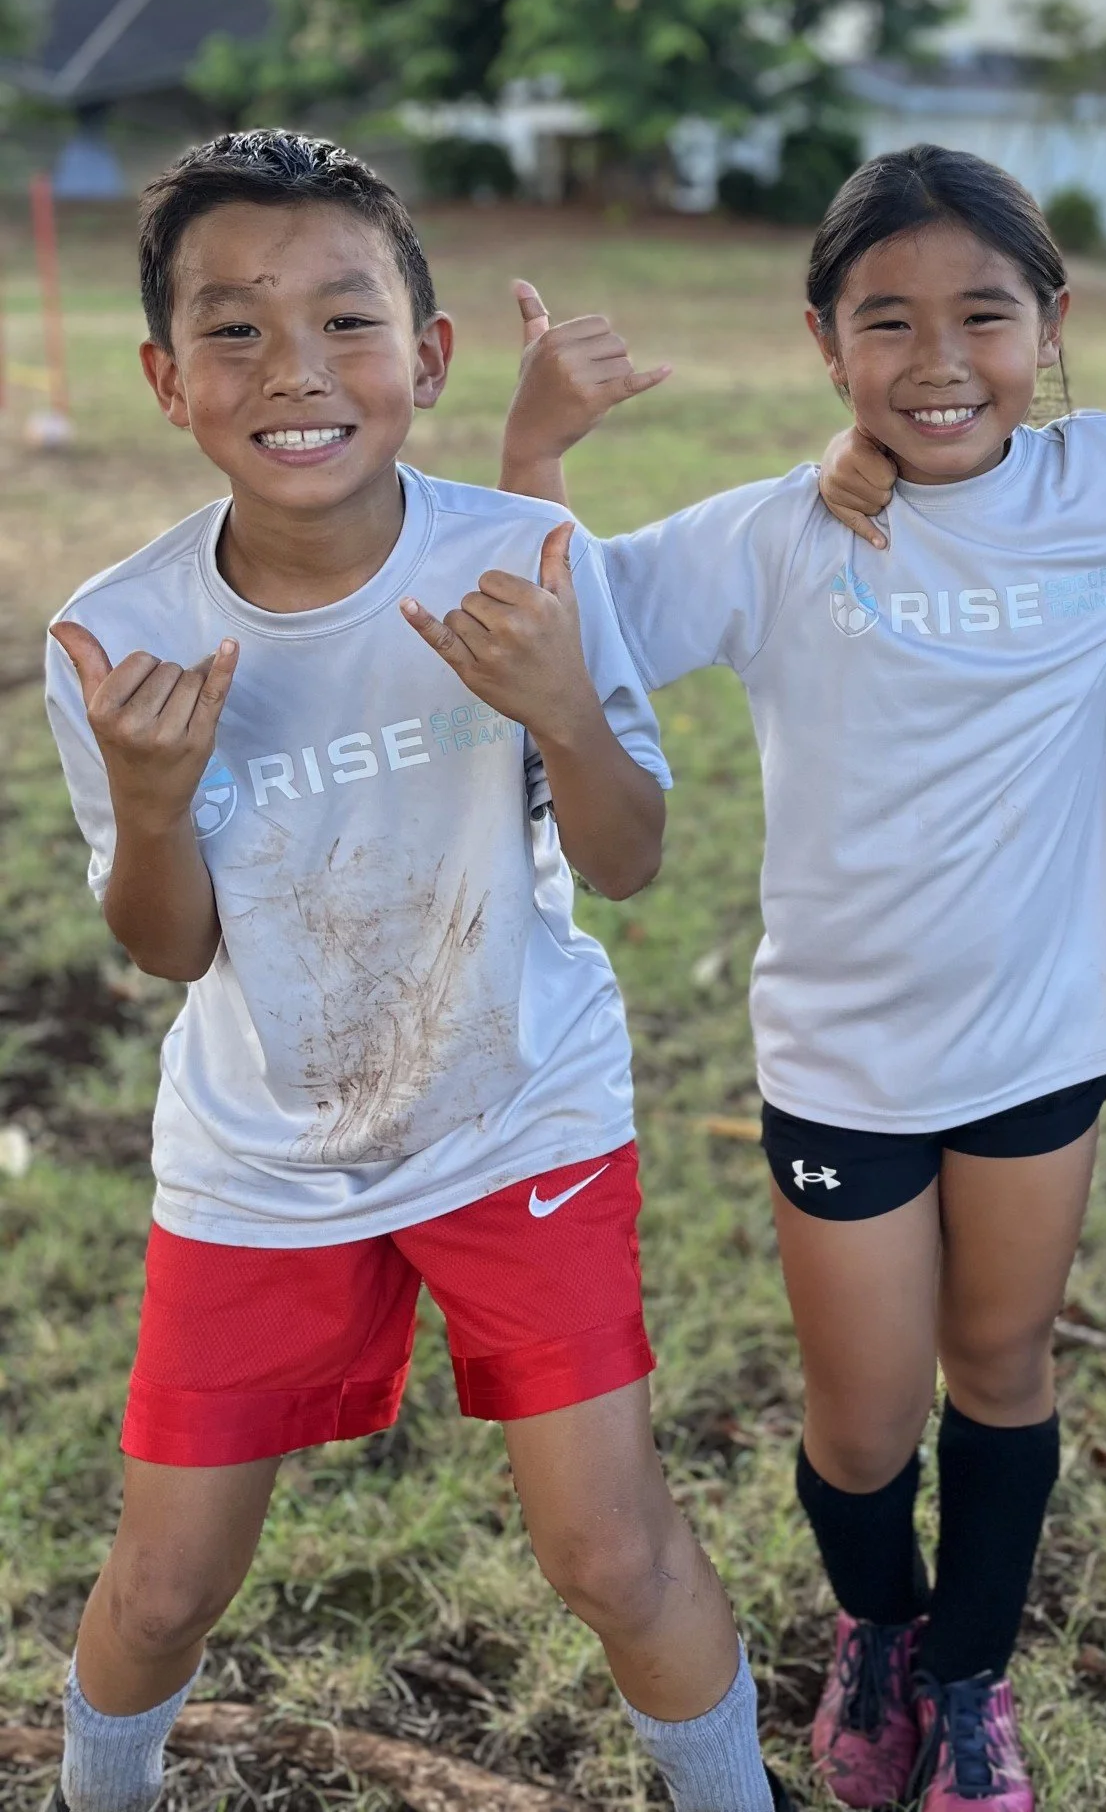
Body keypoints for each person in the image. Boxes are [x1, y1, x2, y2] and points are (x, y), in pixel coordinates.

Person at [43, 132, 789, 1812]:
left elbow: (629, 859)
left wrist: (561, 709)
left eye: (345, 321)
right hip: (259, 1154)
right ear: (166, 380)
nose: (294, 371)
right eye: (232, 329)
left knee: (612, 1554)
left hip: (516, 1109)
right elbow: (166, 946)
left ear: (430, 359)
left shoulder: (521, 560)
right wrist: (153, 810)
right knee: (162, 1593)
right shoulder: (115, 634)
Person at [499, 145, 1106, 1812]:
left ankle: (971, 1681)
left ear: (1052, 323)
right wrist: (533, 448)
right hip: (843, 1063)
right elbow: (566, 619)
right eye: (888, 323)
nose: (941, 358)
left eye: (985, 314)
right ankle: (879, 1627)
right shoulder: (773, 537)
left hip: (1044, 1038)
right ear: (826, 339)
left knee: (1006, 1370)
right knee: (868, 1420)